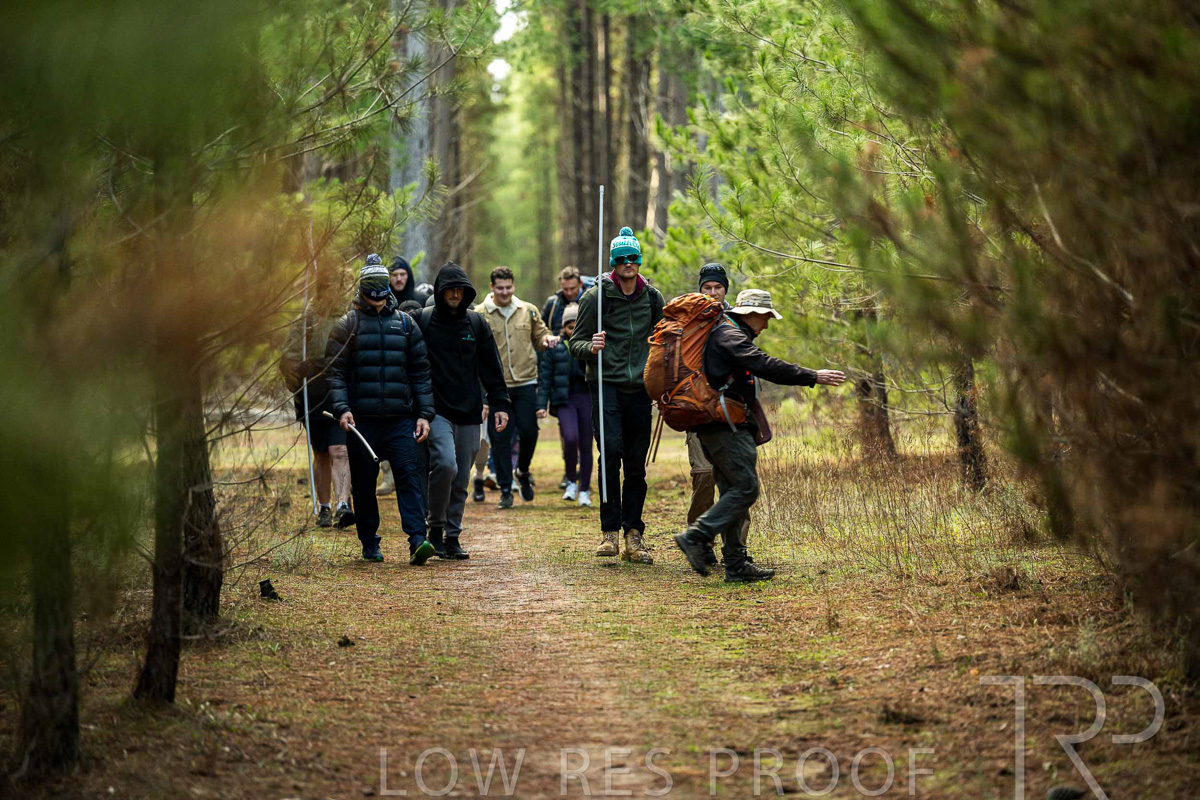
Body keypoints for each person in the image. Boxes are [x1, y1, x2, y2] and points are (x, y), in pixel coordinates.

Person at [673, 289, 846, 582]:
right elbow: (765, 365)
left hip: (719, 424)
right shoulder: (730, 335)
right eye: (765, 317)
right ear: (751, 314)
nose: (766, 325)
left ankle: (735, 564)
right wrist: (813, 375)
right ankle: (696, 536)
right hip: (726, 425)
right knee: (746, 488)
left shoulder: (726, 333)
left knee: (732, 489)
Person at [326, 253, 437, 565]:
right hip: (362, 422)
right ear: (362, 289)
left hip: (401, 419)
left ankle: (418, 540)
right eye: (371, 288)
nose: (376, 295)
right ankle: (369, 542)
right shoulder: (346, 326)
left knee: (408, 477)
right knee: (364, 484)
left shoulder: (406, 324)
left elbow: (420, 373)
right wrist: (342, 409)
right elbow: (335, 373)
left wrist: (424, 414)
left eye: (381, 287)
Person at [568, 226, 664, 563]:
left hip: (640, 388)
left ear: (639, 261)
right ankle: (609, 533)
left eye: (633, 257)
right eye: (621, 258)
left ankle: (633, 535)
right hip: (605, 384)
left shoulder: (652, 297)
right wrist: (591, 346)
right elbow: (574, 344)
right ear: (613, 262)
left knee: (636, 463)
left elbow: (663, 339)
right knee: (610, 454)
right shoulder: (595, 298)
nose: (627, 263)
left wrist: (662, 381)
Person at [414, 262, 511, 559]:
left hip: (469, 411)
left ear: (467, 293)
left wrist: (500, 403)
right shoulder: (423, 320)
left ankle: (452, 535)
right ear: (440, 291)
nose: (455, 295)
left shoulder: (476, 324)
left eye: (460, 290)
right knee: (445, 465)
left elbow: (491, 366)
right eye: (450, 290)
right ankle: (435, 529)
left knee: (461, 479)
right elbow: (411, 364)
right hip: (436, 410)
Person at [475, 267, 558, 508]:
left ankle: (522, 469)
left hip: (525, 381)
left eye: (508, 287)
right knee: (499, 438)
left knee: (529, 430)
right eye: (500, 288)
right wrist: (482, 394)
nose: (505, 292)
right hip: (496, 386)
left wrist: (547, 340)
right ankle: (505, 489)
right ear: (492, 287)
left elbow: (540, 336)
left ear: (514, 286)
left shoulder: (528, 311)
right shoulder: (480, 314)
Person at [280, 268, 354, 529]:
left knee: (340, 449)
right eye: (331, 286)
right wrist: (300, 372)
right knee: (322, 453)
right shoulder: (307, 319)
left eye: (341, 285)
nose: (337, 291)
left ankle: (343, 504)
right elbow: (289, 357)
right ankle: (325, 507)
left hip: (341, 392)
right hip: (314, 394)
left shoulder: (351, 316)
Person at [685, 263, 747, 567]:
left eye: (717, 287)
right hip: (697, 411)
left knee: (738, 479)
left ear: (725, 289)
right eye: (706, 287)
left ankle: (736, 551)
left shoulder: (738, 320)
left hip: (732, 412)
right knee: (704, 475)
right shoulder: (687, 321)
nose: (712, 292)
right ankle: (700, 540)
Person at [537, 303, 592, 507]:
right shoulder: (556, 347)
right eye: (570, 326)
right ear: (564, 327)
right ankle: (570, 481)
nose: (573, 330)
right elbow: (545, 378)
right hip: (564, 400)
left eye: (577, 325)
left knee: (586, 443)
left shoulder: (591, 345)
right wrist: (541, 404)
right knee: (570, 438)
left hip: (586, 398)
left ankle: (584, 489)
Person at [542, 266, 588, 490]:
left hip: (583, 375)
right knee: (568, 433)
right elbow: (541, 329)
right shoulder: (553, 304)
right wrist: (549, 339)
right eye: (565, 288)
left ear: (579, 284)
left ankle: (582, 474)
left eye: (572, 288)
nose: (569, 292)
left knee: (584, 434)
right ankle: (569, 471)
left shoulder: (589, 299)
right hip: (560, 368)